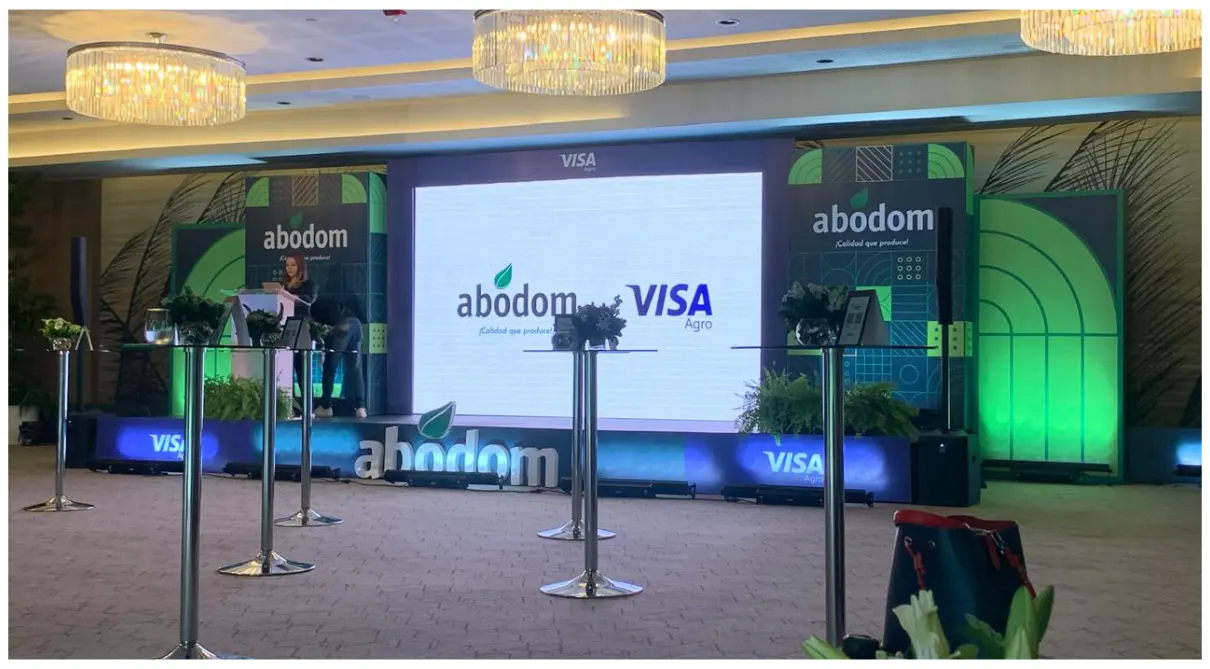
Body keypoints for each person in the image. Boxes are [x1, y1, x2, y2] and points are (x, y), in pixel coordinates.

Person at [314, 299, 367, 419]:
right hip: (356, 324)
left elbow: (323, 331)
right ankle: (360, 407)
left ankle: (326, 407)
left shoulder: (314, 309)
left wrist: (323, 351)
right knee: (356, 369)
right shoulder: (330, 302)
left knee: (330, 369)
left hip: (341, 325)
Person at [283, 253, 316, 415]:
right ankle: (290, 407)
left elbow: (309, 299)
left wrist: (293, 296)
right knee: (287, 370)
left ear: (300, 267)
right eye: (287, 265)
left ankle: (308, 407)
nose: (289, 268)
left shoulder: (308, 284)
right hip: (286, 328)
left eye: (293, 265)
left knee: (302, 371)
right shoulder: (283, 286)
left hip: (302, 329)